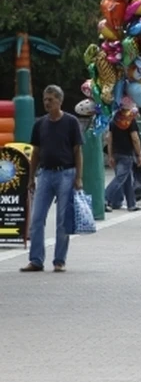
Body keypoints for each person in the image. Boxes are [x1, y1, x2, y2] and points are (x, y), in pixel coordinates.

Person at [20, 85, 84, 273]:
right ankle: (36, 260)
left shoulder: (71, 122)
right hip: (45, 174)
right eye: (45, 99)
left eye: (51, 99)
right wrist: (31, 177)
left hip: (66, 173)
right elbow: (36, 152)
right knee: (37, 218)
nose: (47, 103)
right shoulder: (40, 124)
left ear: (59, 101)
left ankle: (59, 260)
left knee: (63, 220)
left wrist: (78, 177)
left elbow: (77, 151)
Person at [104, 111, 141, 212]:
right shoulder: (130, 121)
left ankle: (131, 204)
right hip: (126, 154)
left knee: (127, 179)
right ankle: (104, 199)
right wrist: (140, 154)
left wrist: (110, 155)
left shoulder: (114, 120)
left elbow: (109, 139)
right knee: (120, 178)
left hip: (116, 153)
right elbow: (135, 138)